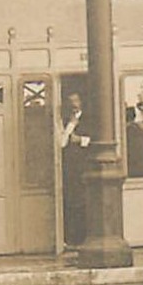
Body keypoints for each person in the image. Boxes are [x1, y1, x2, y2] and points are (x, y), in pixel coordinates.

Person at [58, 91, 91, 249]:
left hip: (84, 166)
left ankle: (82, 238)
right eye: (71, 101)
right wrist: (70, 126)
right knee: (71, 203)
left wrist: (81, 140)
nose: (74, 104)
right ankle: (71, 239)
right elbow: (62, 143)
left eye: (76, 100)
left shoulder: (90, 119)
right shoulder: (65, 121)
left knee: (84, 203)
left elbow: (98, 140)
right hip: (70, 168)